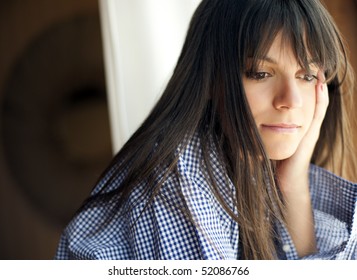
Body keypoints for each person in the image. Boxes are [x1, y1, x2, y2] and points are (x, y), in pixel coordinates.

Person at [55, 0, 357, 260]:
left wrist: (293, 180)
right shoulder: (175, 177)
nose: (290, 101)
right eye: (260, 73)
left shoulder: (256, 170)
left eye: (306, 76)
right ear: (212, 79)